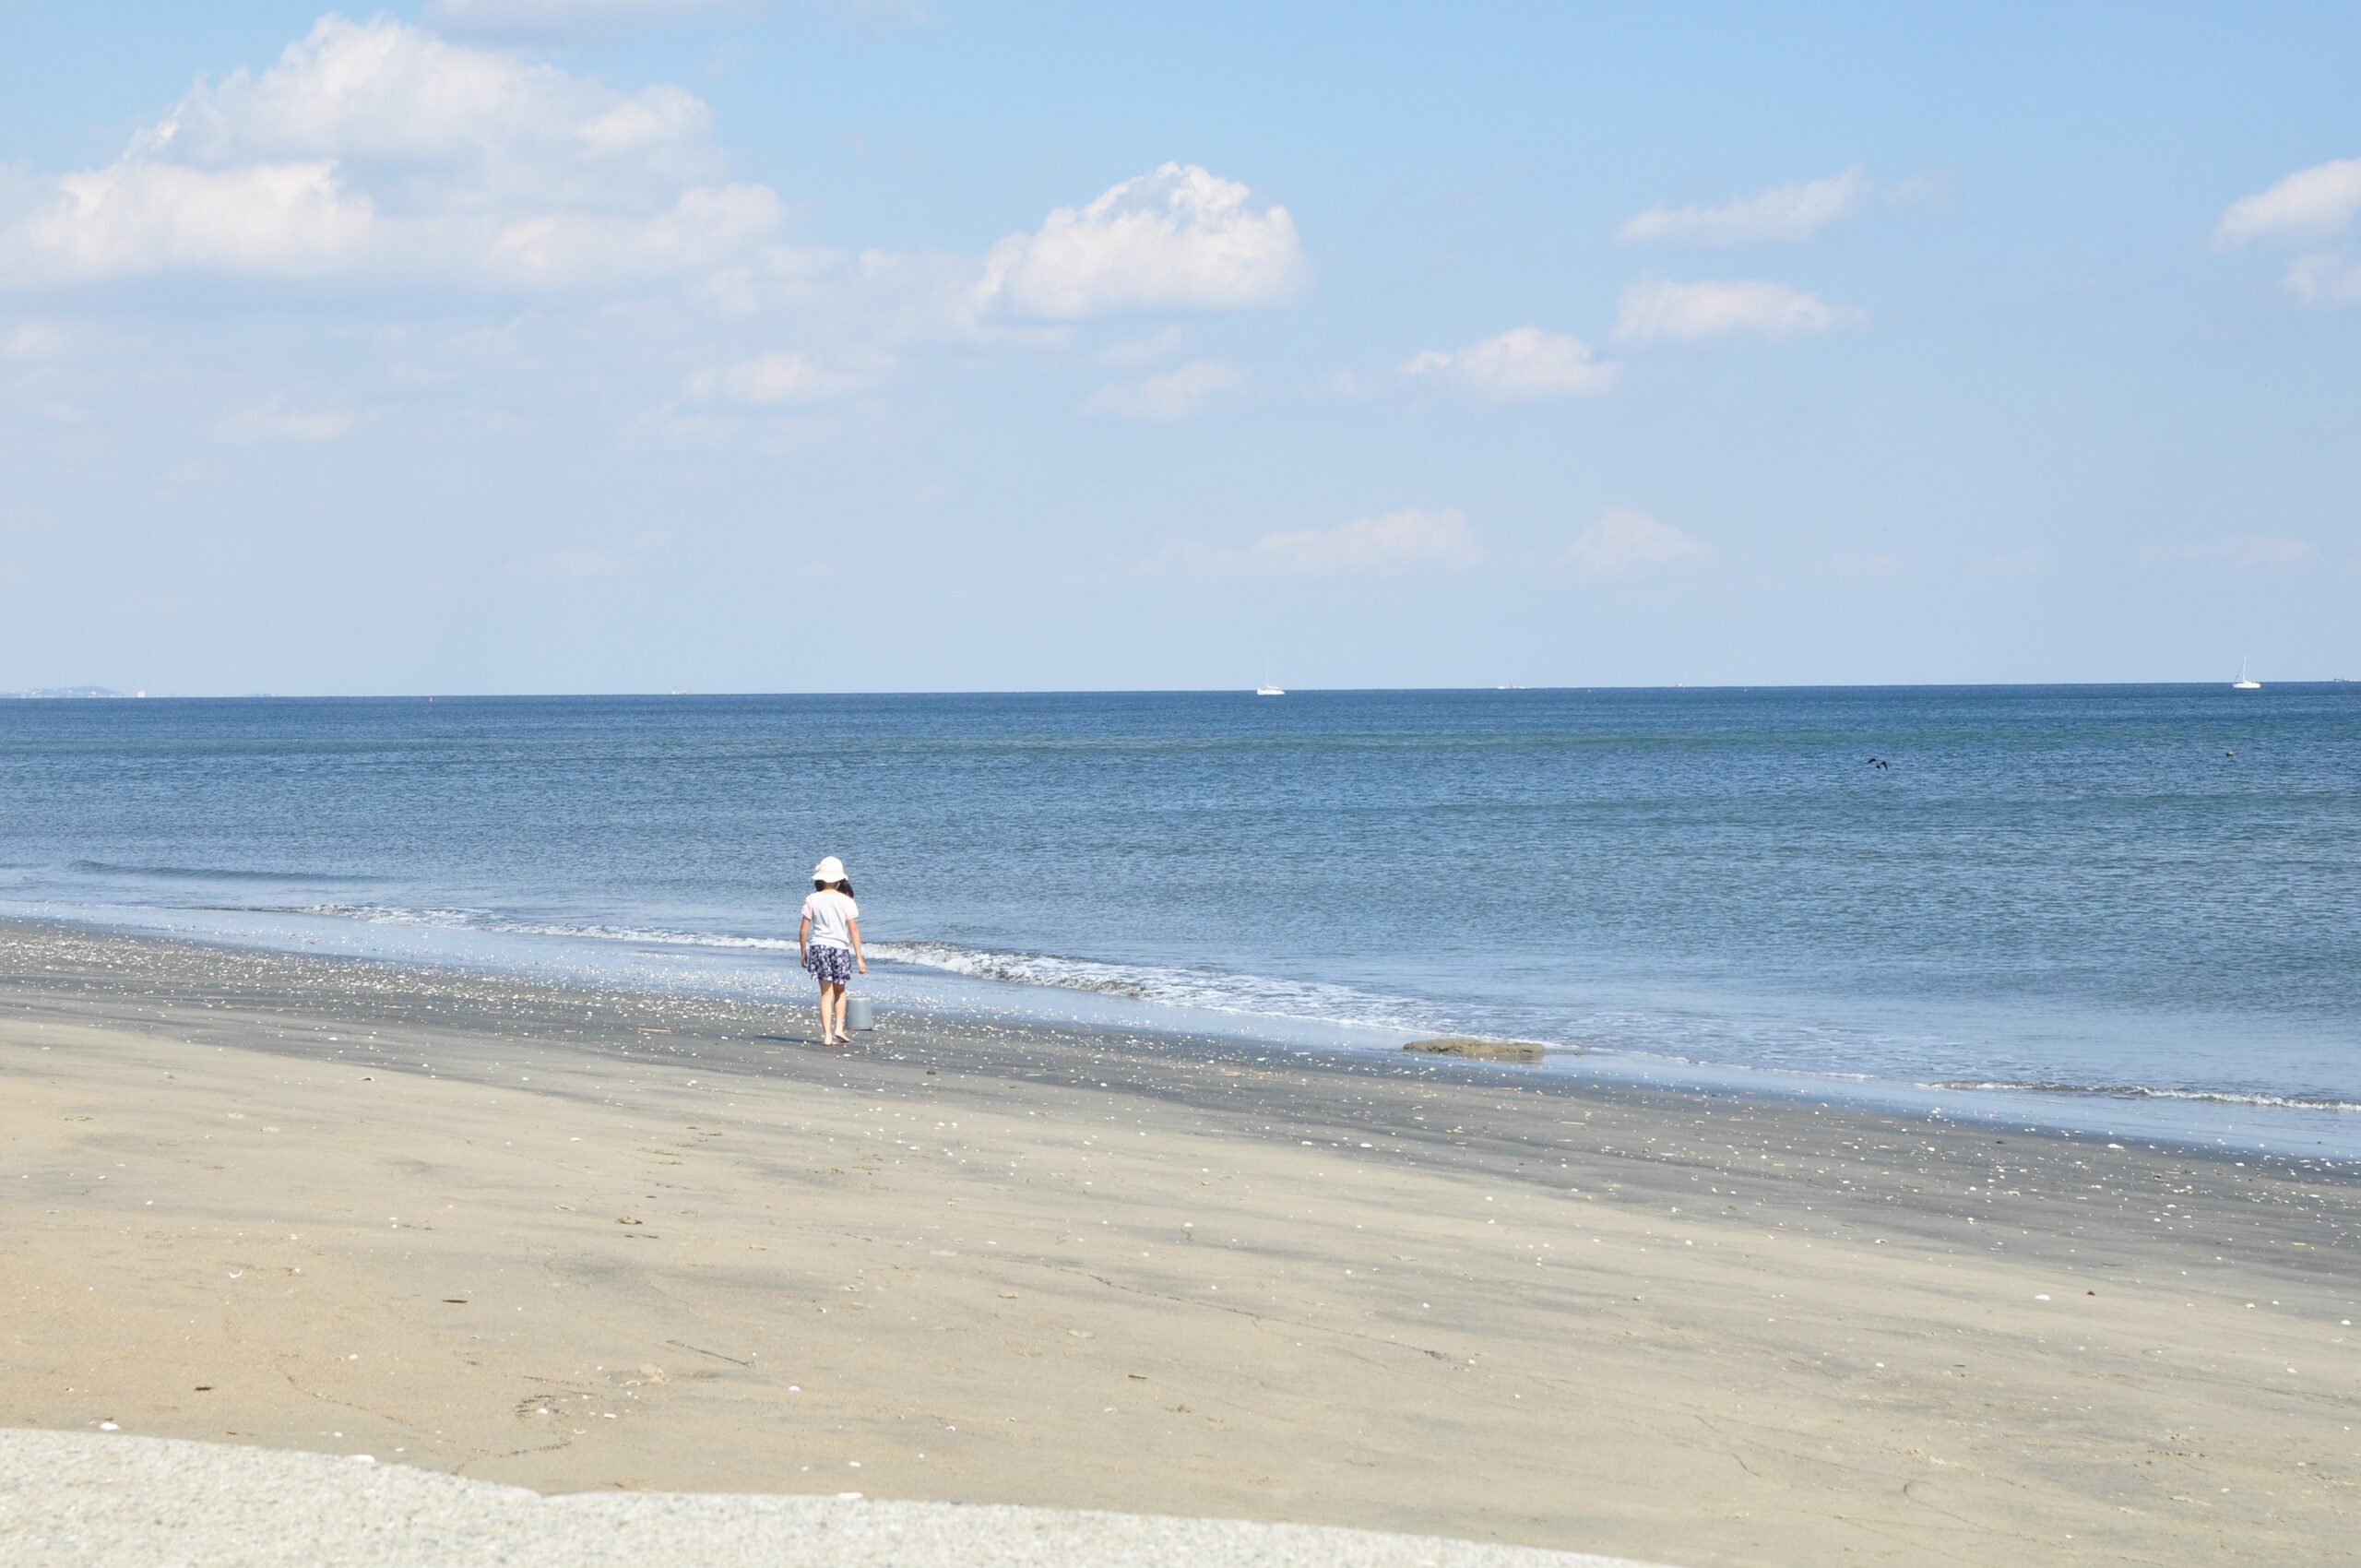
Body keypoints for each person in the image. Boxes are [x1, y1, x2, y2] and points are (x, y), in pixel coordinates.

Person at [799, 855, 865, 1046]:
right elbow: (853, 930)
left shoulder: (812, 898)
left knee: (825, 993)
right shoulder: (846, 901)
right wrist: (859, 958)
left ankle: (827, 1034)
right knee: (840, 991)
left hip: (819, 947)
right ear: (839, 880)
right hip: (839, 948)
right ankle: (839, 1029)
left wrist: (804, 952)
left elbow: (804, 929)